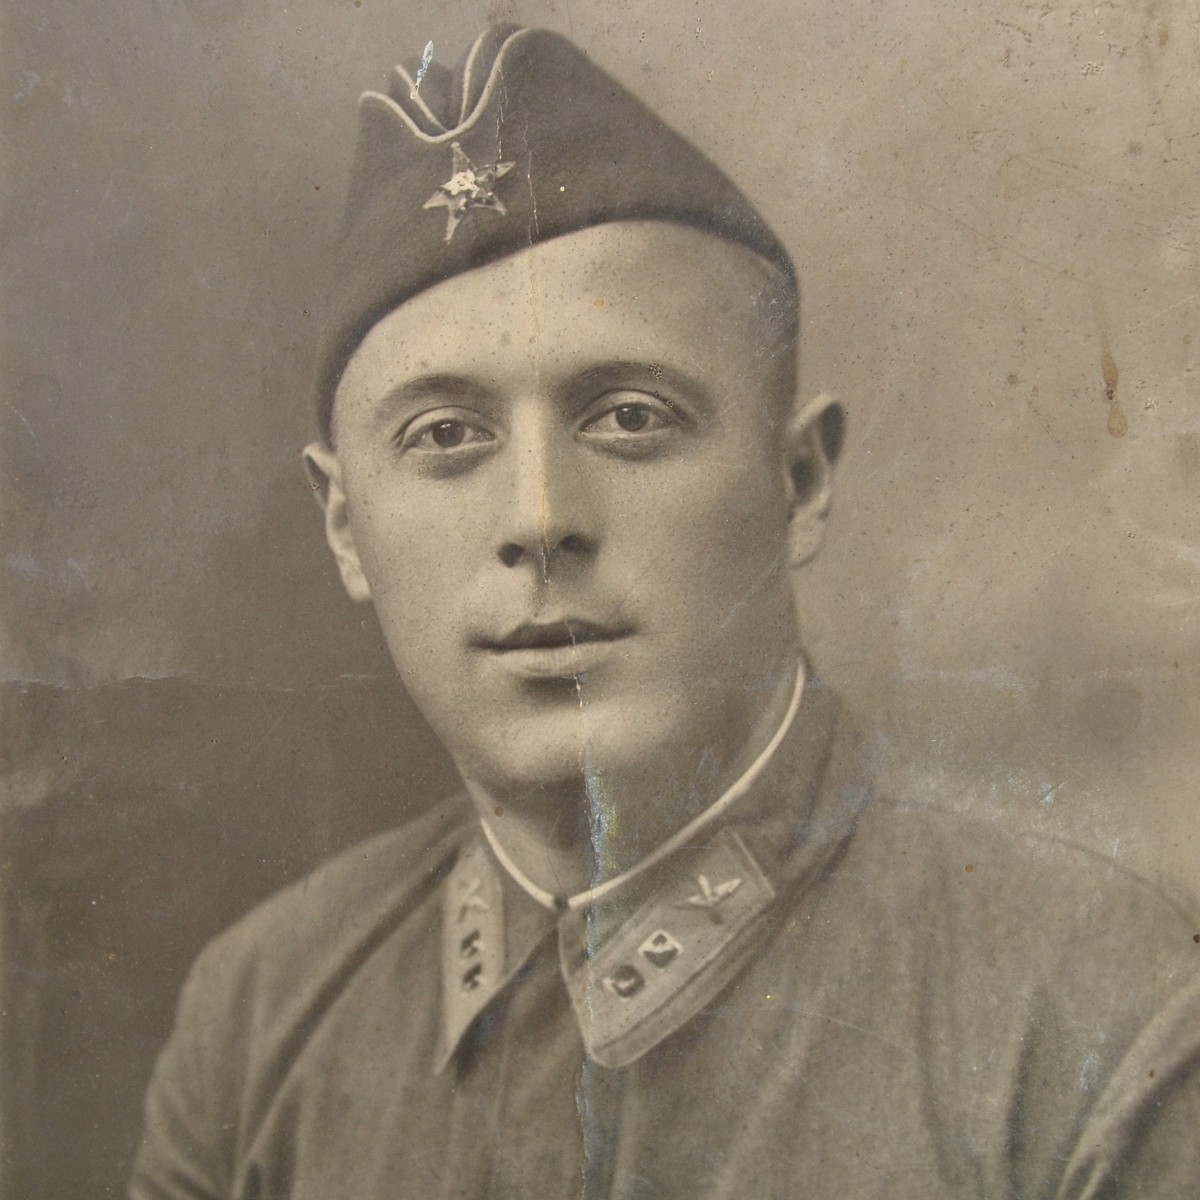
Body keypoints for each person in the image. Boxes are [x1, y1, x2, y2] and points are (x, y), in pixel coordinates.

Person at [130, 26, 1200, 1199]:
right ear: (345, 526)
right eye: (445, 437)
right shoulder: (259, 1015)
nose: (539, 518)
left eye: (630, 416)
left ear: (798, 483)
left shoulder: (1102, 1008)